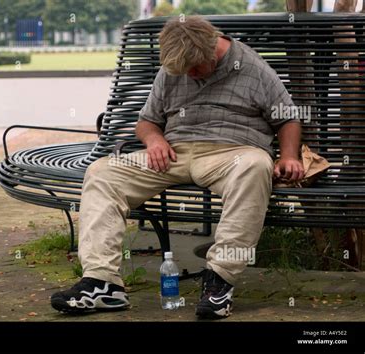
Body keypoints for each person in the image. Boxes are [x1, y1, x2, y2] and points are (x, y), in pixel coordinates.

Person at [50, 15, 304, 319]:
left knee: (256, 166)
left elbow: (287, 116)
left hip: (232, 153)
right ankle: (102, 283)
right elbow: (146, 121)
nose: (189, 75)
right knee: (103, 172)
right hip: (173, 153)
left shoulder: (251, 67)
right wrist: (154, 139)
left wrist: (290, 156)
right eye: (183, 70)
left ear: (212, 50)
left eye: (195, 68)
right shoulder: (175, 64)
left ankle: (219, 280)